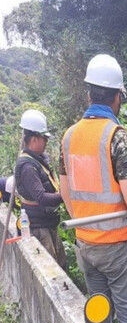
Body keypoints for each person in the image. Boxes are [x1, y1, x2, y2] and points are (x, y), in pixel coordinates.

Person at [59, 54, 127, 323]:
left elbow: (67, 195)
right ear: (117, 99)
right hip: (119, 247)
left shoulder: (68, 137)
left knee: (99, 317)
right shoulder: (118, 137)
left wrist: (90, 225)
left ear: (89, 94)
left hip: (86, 246)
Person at [15, 109, 66, 270]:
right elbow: (42, 198)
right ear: (34, 139)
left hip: (48, 222)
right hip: (39, 226)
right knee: (52, 270)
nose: (46, 142)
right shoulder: (28, 166)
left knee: (61, 264)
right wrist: (65, 196)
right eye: (44, 138)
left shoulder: (38, 160)